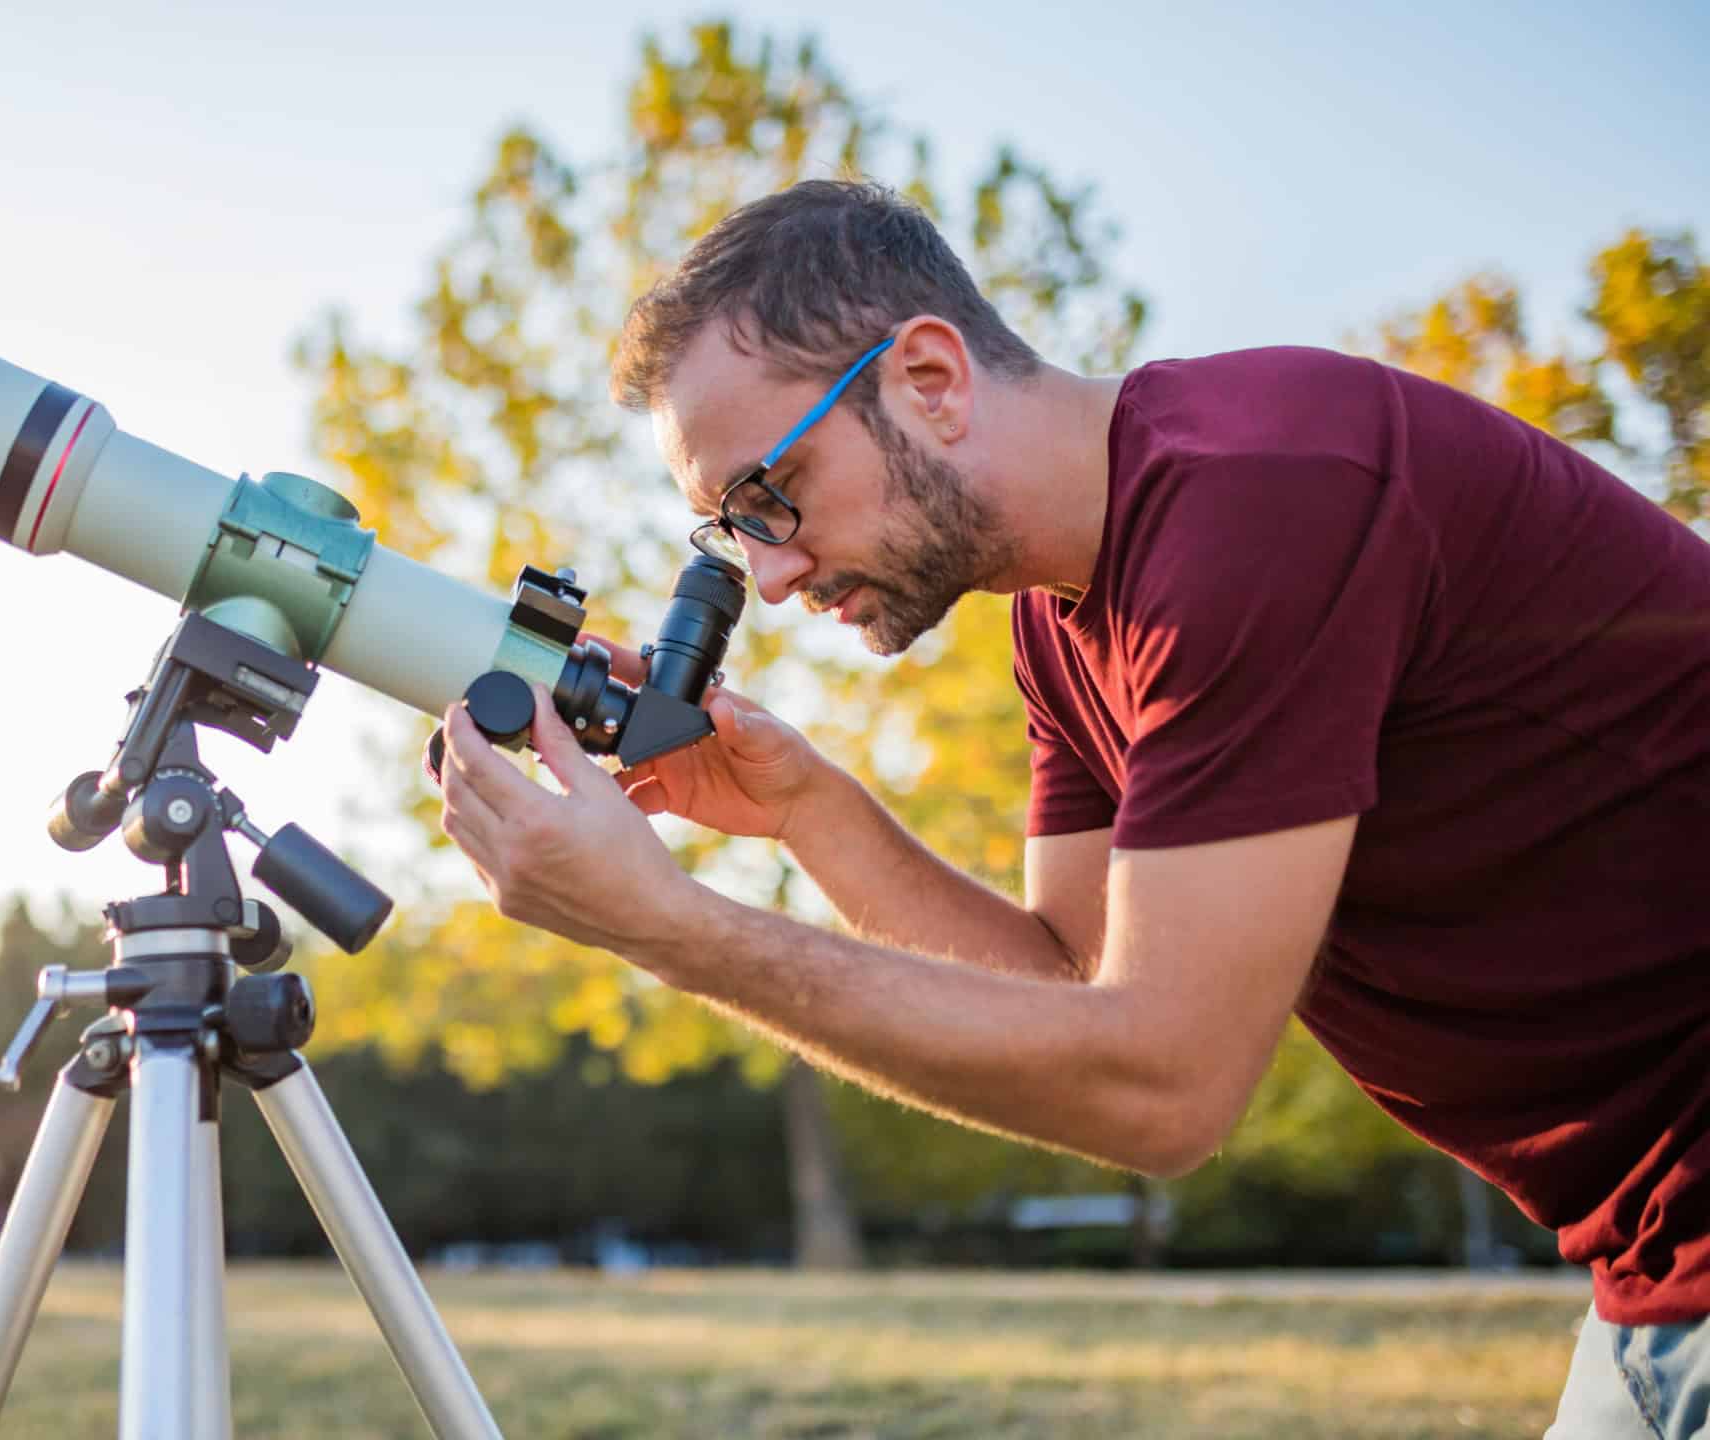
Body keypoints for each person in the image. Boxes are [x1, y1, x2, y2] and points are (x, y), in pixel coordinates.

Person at [429, 179, 1708, 1436]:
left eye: (771, 495)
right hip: (1650, 1256)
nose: (765, 576)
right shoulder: (1059, 622)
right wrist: (808, 808)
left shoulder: (1259, 497)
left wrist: (667, 928)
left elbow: (1161, 1086)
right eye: (729, 530)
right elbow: (1068, 989)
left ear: (927, 378)